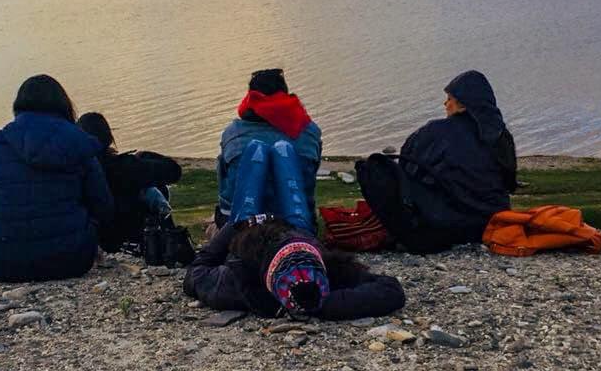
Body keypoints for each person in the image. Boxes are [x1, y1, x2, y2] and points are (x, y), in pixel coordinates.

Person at [0, 75, 113, 283]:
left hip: (3, 264)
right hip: (72, 259)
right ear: (64, 105)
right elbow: (102, 206)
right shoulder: (80, 143)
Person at [356, 70, 518, 254]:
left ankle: (412, 235)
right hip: (491, 221)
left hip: (443, 225)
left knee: (371, 168)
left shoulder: (434, 132)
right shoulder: (500, 136)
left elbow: (407, 172)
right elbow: (509, 182)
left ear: (463, 106)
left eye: (449, 99)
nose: (445, 104)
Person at [184, 217, 406, 320]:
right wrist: (319, 302)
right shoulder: (332, 272)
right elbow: (390, 289)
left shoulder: (232, 281)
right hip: (287, 236)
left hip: (260, 242)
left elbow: (195, 274)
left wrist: (232, 228)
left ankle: (218, 227)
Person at [215, 68, 322, 230]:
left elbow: (226, 187)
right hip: (299, 222)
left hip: (242, 226)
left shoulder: (233, 132)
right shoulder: (309, 131)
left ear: (251, 96)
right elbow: (311, 176)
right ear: (285, 93)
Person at [77, 111, 185, 256]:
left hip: (96, 239)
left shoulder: (75, 172)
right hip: (133, 236)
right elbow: (174, 171)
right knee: (154, 190)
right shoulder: (124, 166)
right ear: (108, 136)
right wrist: (144, 156)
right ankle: (167, 237)